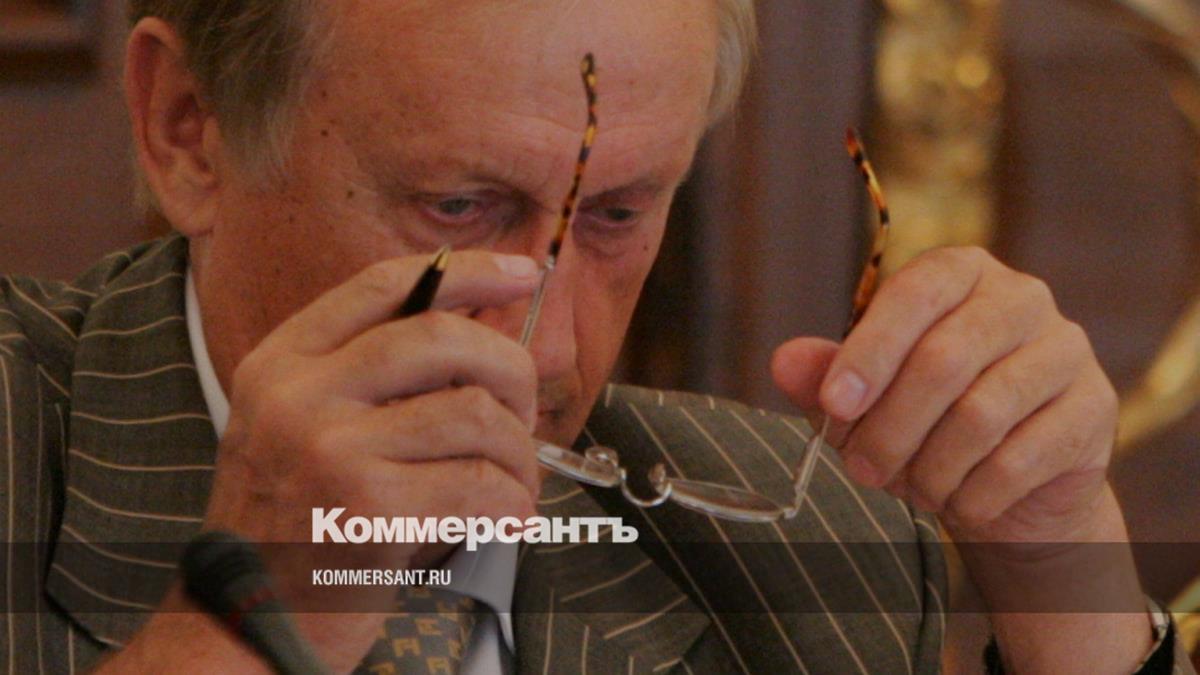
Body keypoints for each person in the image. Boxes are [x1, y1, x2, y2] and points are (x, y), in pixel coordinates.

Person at [0, 1, 1190, 673]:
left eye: (618, 216)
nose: (547, 354)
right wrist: (248, 621)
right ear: (188, 129)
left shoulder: (817, 550)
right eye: (458, 207)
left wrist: (1063, 582)